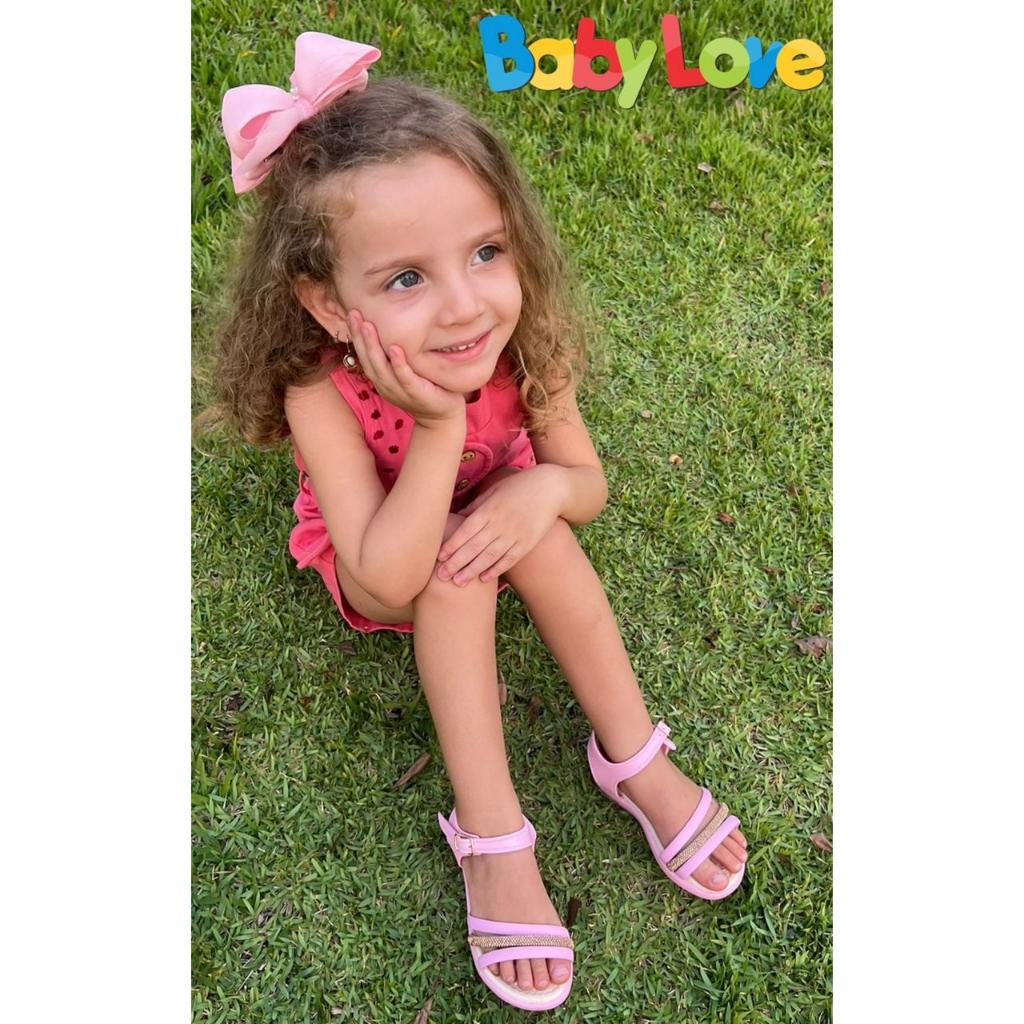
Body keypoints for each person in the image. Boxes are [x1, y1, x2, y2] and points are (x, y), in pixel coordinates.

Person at [211, 32, 748, 1013]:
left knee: (543, 528)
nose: (465, 306)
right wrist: (437, 427)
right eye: (405, 279)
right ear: (326, 304)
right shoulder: (316, 389)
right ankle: (493, 832)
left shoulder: (527, 339)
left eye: (486, 252)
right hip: (388, 549)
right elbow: (380, 580)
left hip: (501, 515)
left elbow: (583, 484)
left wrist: (538, 491)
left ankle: (633, 756)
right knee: (452, 578)